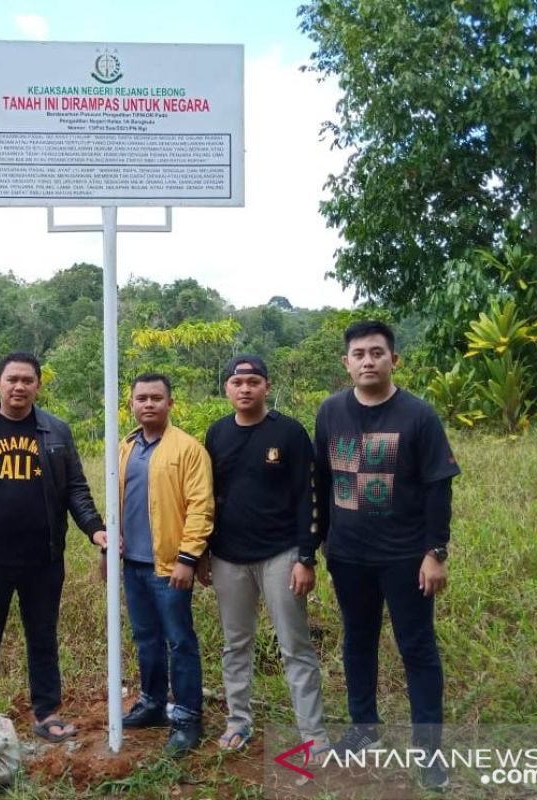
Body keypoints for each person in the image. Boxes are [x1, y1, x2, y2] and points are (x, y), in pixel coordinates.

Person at [315, 320, 459, 791]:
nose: (368, 361)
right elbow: (320, 482)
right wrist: (316, 546)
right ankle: (363, 727)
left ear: (394, 360)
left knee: (417, 648)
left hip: (405, 558)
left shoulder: (418, 415)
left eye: (377, 352)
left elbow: (439, 487)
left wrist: (435, 552)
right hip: (348, 556)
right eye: (359, 354)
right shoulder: (330, 412)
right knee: (357, 641)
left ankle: (429, 752)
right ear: (346, 363)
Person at [0, 352, 106, 743]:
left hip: (42, 559)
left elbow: (75, 490)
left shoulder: (56, 431)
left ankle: (47, 712)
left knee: (43, 636)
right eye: (12, 379)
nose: (19, 387)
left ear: (38, 386)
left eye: (27, 380)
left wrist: (95, 529)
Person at [200, 355, 329, 753]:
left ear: (266, 388)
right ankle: (238, 721)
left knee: (295, 645)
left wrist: (306, 557)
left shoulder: (289, 433)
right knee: (235, 643)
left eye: (253, 382)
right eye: (238, 383)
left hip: (281, 555)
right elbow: (207, 497)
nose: (245, 389)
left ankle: (313, 734)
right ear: (227, 389)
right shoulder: (216, 434)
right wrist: (203, 551)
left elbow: (308, 496)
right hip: (227, 557)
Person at [111, 372, 214, 757]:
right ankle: (152, 703)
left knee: (179, 641)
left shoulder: (187, 449)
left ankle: (187, 716)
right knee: (146, 639)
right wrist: (109, 547)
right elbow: (116, 499)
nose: (148, 404)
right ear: (132, 404)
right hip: (133, 564)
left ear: (170, 403)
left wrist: (189, 558)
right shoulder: (125, 447)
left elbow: (201, 507)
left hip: (169, 566)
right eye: (142, 398)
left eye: (156, 398)